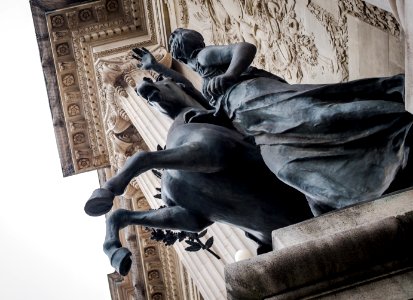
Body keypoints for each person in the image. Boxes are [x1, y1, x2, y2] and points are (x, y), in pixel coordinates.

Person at [133, 28, 413, 216]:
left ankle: (399, 126)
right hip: (248, 120)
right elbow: (186, 86)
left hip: (254, 97)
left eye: (175, 51)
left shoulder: (205, 56)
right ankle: (349, 189)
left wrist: (230, 75)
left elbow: (244, 47)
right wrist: (157, 67)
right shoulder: (202, 75)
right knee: (285, 168)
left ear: (183, 51)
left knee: (319, 118)